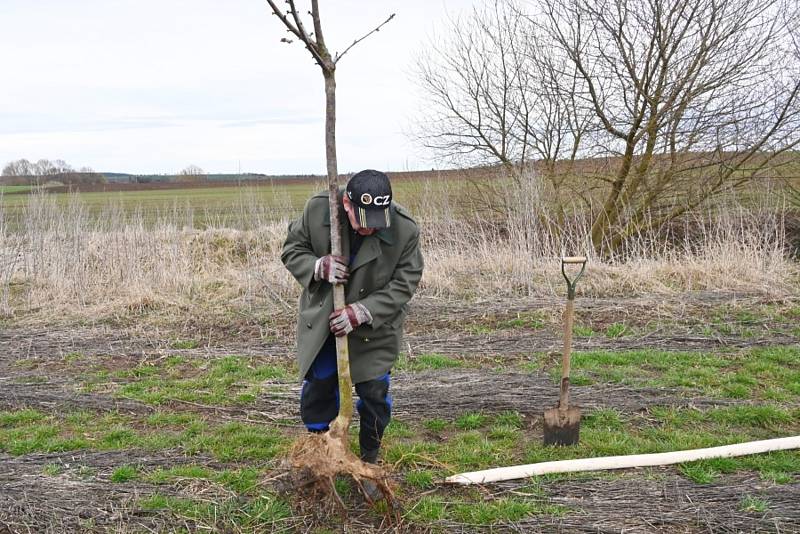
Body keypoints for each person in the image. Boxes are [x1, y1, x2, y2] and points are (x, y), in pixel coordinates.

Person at [281, 169, 424, 467]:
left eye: (376, 222)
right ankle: (320, 453)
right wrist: (318, 266)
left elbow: (405, 281)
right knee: (319, 388)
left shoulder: (404, 229)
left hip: (375, 328)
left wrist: (362, 311)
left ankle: (369, 459)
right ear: (347, 204)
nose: (370, 229)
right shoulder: (319, 209)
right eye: (363, 222)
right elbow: (293, 249)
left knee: (374, 396)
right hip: (325, 322)